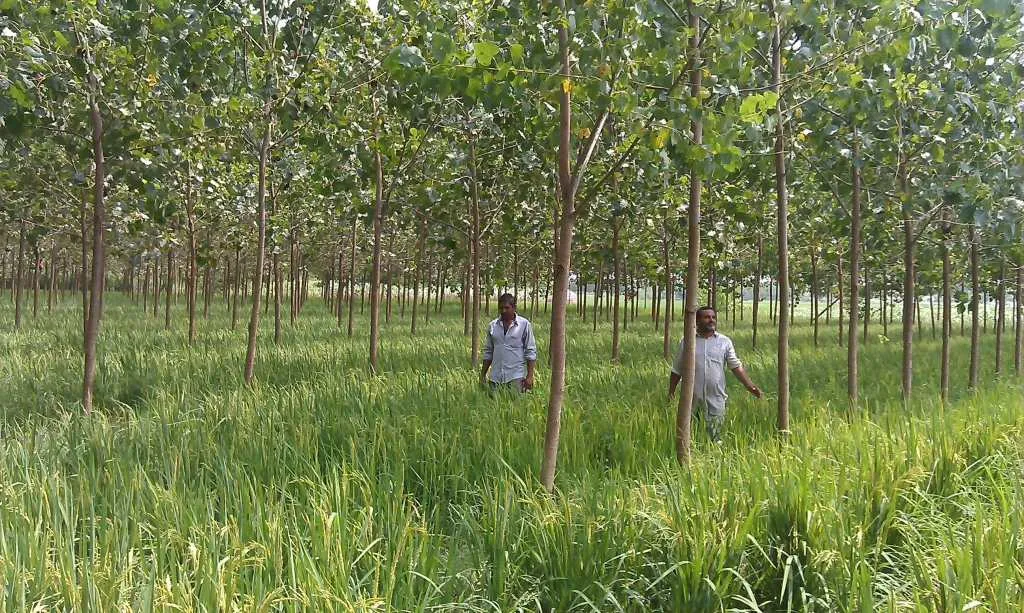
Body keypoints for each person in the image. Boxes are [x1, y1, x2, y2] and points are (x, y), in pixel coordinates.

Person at [668, 306, 762, 442]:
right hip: (691, 397)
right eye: (706, 317)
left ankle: (714, 457)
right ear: (697, 321)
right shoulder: (687, 341)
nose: (711, 320)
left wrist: (750, 386)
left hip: (716, 396)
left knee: (715, 435)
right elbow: (677, 369)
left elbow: (735, 366)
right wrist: (671, 392)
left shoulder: (724, 342)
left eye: (713, 317)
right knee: (691, 434)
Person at [480, 293, 537, 394]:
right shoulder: (493, 326)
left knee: (515, 408)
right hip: (495, 378)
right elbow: (488, 352)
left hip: (516, 377)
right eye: (501, 308)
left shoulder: (524, 325)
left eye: (507, 308)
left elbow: (530, 351)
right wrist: (483, 375)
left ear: (514, 307)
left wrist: (530, 376)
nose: (503, 311)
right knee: (494, 407)